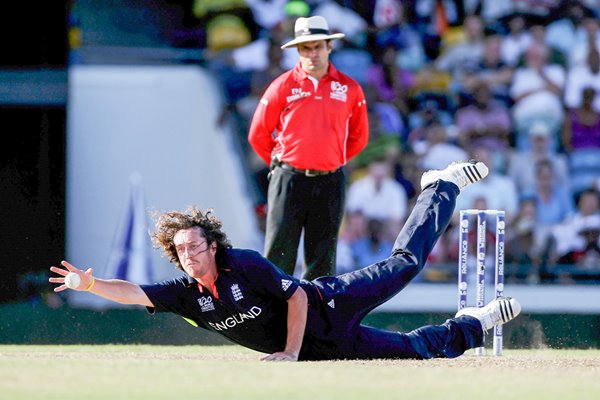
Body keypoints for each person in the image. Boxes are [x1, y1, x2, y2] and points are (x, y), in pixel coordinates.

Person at [49, 160, 522, 362]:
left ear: (212, 245)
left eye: (196, 246)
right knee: (414, 351)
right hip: (324, 350)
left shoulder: (245, 263)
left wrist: (292, 353)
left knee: (404, 265)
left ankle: (441, 185)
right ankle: (472, 324)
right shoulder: (186, 296)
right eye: (181, 252)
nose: (189, 256)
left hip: (328, 304)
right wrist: (90, 285)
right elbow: (133, 293)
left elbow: (295, 295)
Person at [247, 15, 369, 280]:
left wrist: (331, 159)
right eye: (306, 48)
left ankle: (316, 317)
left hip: (330, 181)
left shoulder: (349, 88)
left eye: (317, 46)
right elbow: (258, 134)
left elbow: (359, 136)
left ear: (329, 47)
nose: (312, 53)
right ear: (298, 50)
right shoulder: (282, 85)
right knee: (278, 255)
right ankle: (273, 318)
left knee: (322, 258)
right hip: (288, 179)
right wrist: (282, 164)